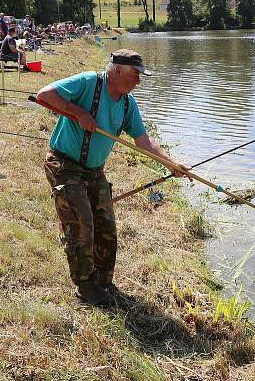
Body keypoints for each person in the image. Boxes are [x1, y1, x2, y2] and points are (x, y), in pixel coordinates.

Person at [36, 49, 191, 306]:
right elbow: (45, 95)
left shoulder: (128, 104)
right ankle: (85, 287)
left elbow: (144, 141)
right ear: (117, 69)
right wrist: (79, 113)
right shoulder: (88, 82)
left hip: (95, 171)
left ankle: (104, 283)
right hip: (64, 164)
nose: (139, 81)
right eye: (136, 74)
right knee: (82, 222)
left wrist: (172, 164)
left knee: (106, 226)